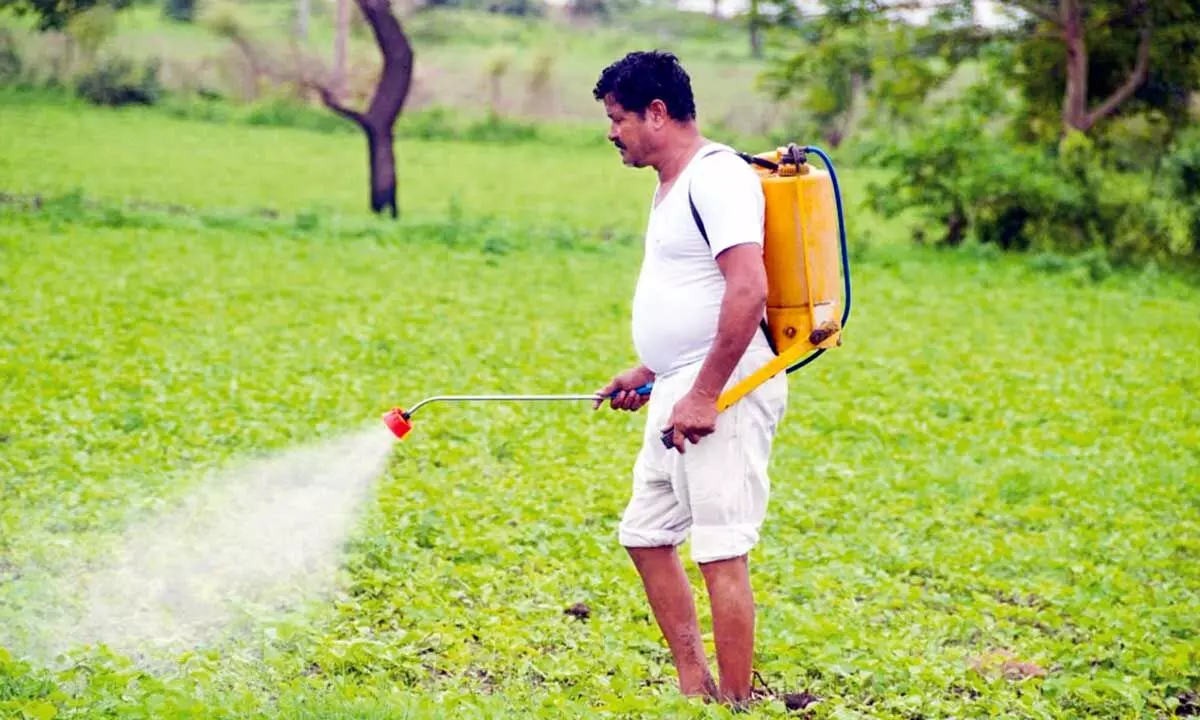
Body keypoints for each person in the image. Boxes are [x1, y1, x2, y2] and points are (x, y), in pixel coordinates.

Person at [590, 50, 789, 708]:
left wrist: (704, 393)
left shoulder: (717, 178)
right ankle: (693, 683)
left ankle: (736, 702)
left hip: (724, 389)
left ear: (657, 112)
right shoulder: (670, 184)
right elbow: (692, 289)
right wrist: (650, 370)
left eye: (618, 118)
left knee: (720, 550)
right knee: (646, 535)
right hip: (679, 384)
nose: (611, 131)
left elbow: (747, 290)